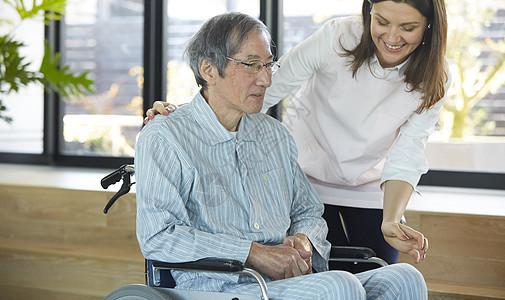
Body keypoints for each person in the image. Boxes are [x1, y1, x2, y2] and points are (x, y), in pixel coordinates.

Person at [136, 11, 428, 299]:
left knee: (403, 277)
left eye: (268, 65)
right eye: (252, 65)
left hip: (284, 284)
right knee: (339, 285)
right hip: (220, 285)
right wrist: (253, 253)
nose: (266, 79)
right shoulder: (164, 136)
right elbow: (158, 236)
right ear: (209, 70)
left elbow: (308, 213)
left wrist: (305, 241)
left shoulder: (274, 135)